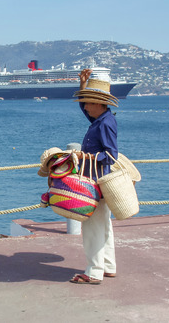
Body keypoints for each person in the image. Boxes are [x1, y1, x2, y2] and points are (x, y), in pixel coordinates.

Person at [69, 69, 119, 285]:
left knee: (91, 227)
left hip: (96, 181)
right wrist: (83, 85)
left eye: (89, 102)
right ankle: (108, 266)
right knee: (103, 225)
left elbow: (110, 155)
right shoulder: (102, 118)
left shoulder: (106, 123)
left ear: (100, 103)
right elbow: (83, 107)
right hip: (100, 180)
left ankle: (93, 272)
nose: (85, 106)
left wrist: (85, 156)